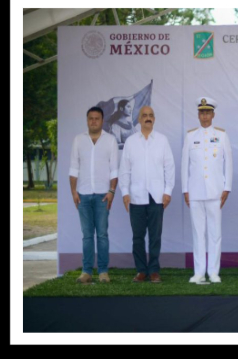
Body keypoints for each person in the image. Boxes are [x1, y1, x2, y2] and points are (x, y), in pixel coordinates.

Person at [119, 105, 175, 283]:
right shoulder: (131, 142)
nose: (148, 118)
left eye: (151, 115)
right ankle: (141, 270)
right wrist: (125, 192)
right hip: (136, 196)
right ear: (139, 119)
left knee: (155, 236)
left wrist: (167, 191)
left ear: (154, 119)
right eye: (144, 115)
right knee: (137, 236)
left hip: (156, 196)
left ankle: (154, 271)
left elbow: (169, 167)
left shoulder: (162, 140)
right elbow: (125, 169)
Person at [182, 97, 233, 284]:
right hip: (195, 192)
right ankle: (199, 272)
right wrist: (185, 189)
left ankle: (213, 271)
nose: (204, 116)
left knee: (214, 233)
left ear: (213, 114)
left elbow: (228, 163)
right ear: (198, 114)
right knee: (198, 233)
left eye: (208, 112)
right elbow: (184, 165)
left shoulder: (222, 136)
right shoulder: (190, 136)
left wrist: (227, 187)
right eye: (201, 112)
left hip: (215, 191)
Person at [69, 106, 119, 284]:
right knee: (87, 235)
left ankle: (103, 271)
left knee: (103, 235)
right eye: (91, 118)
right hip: (83, 195)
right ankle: (86, 272)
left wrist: (112, 192)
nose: (94, 121)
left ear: (102, 120)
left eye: (97, 118)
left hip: (102, 196)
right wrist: (74, 192)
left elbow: (114, 170)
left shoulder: (110, 140)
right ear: (87, 120)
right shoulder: (78, 140)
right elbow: (74, 168)